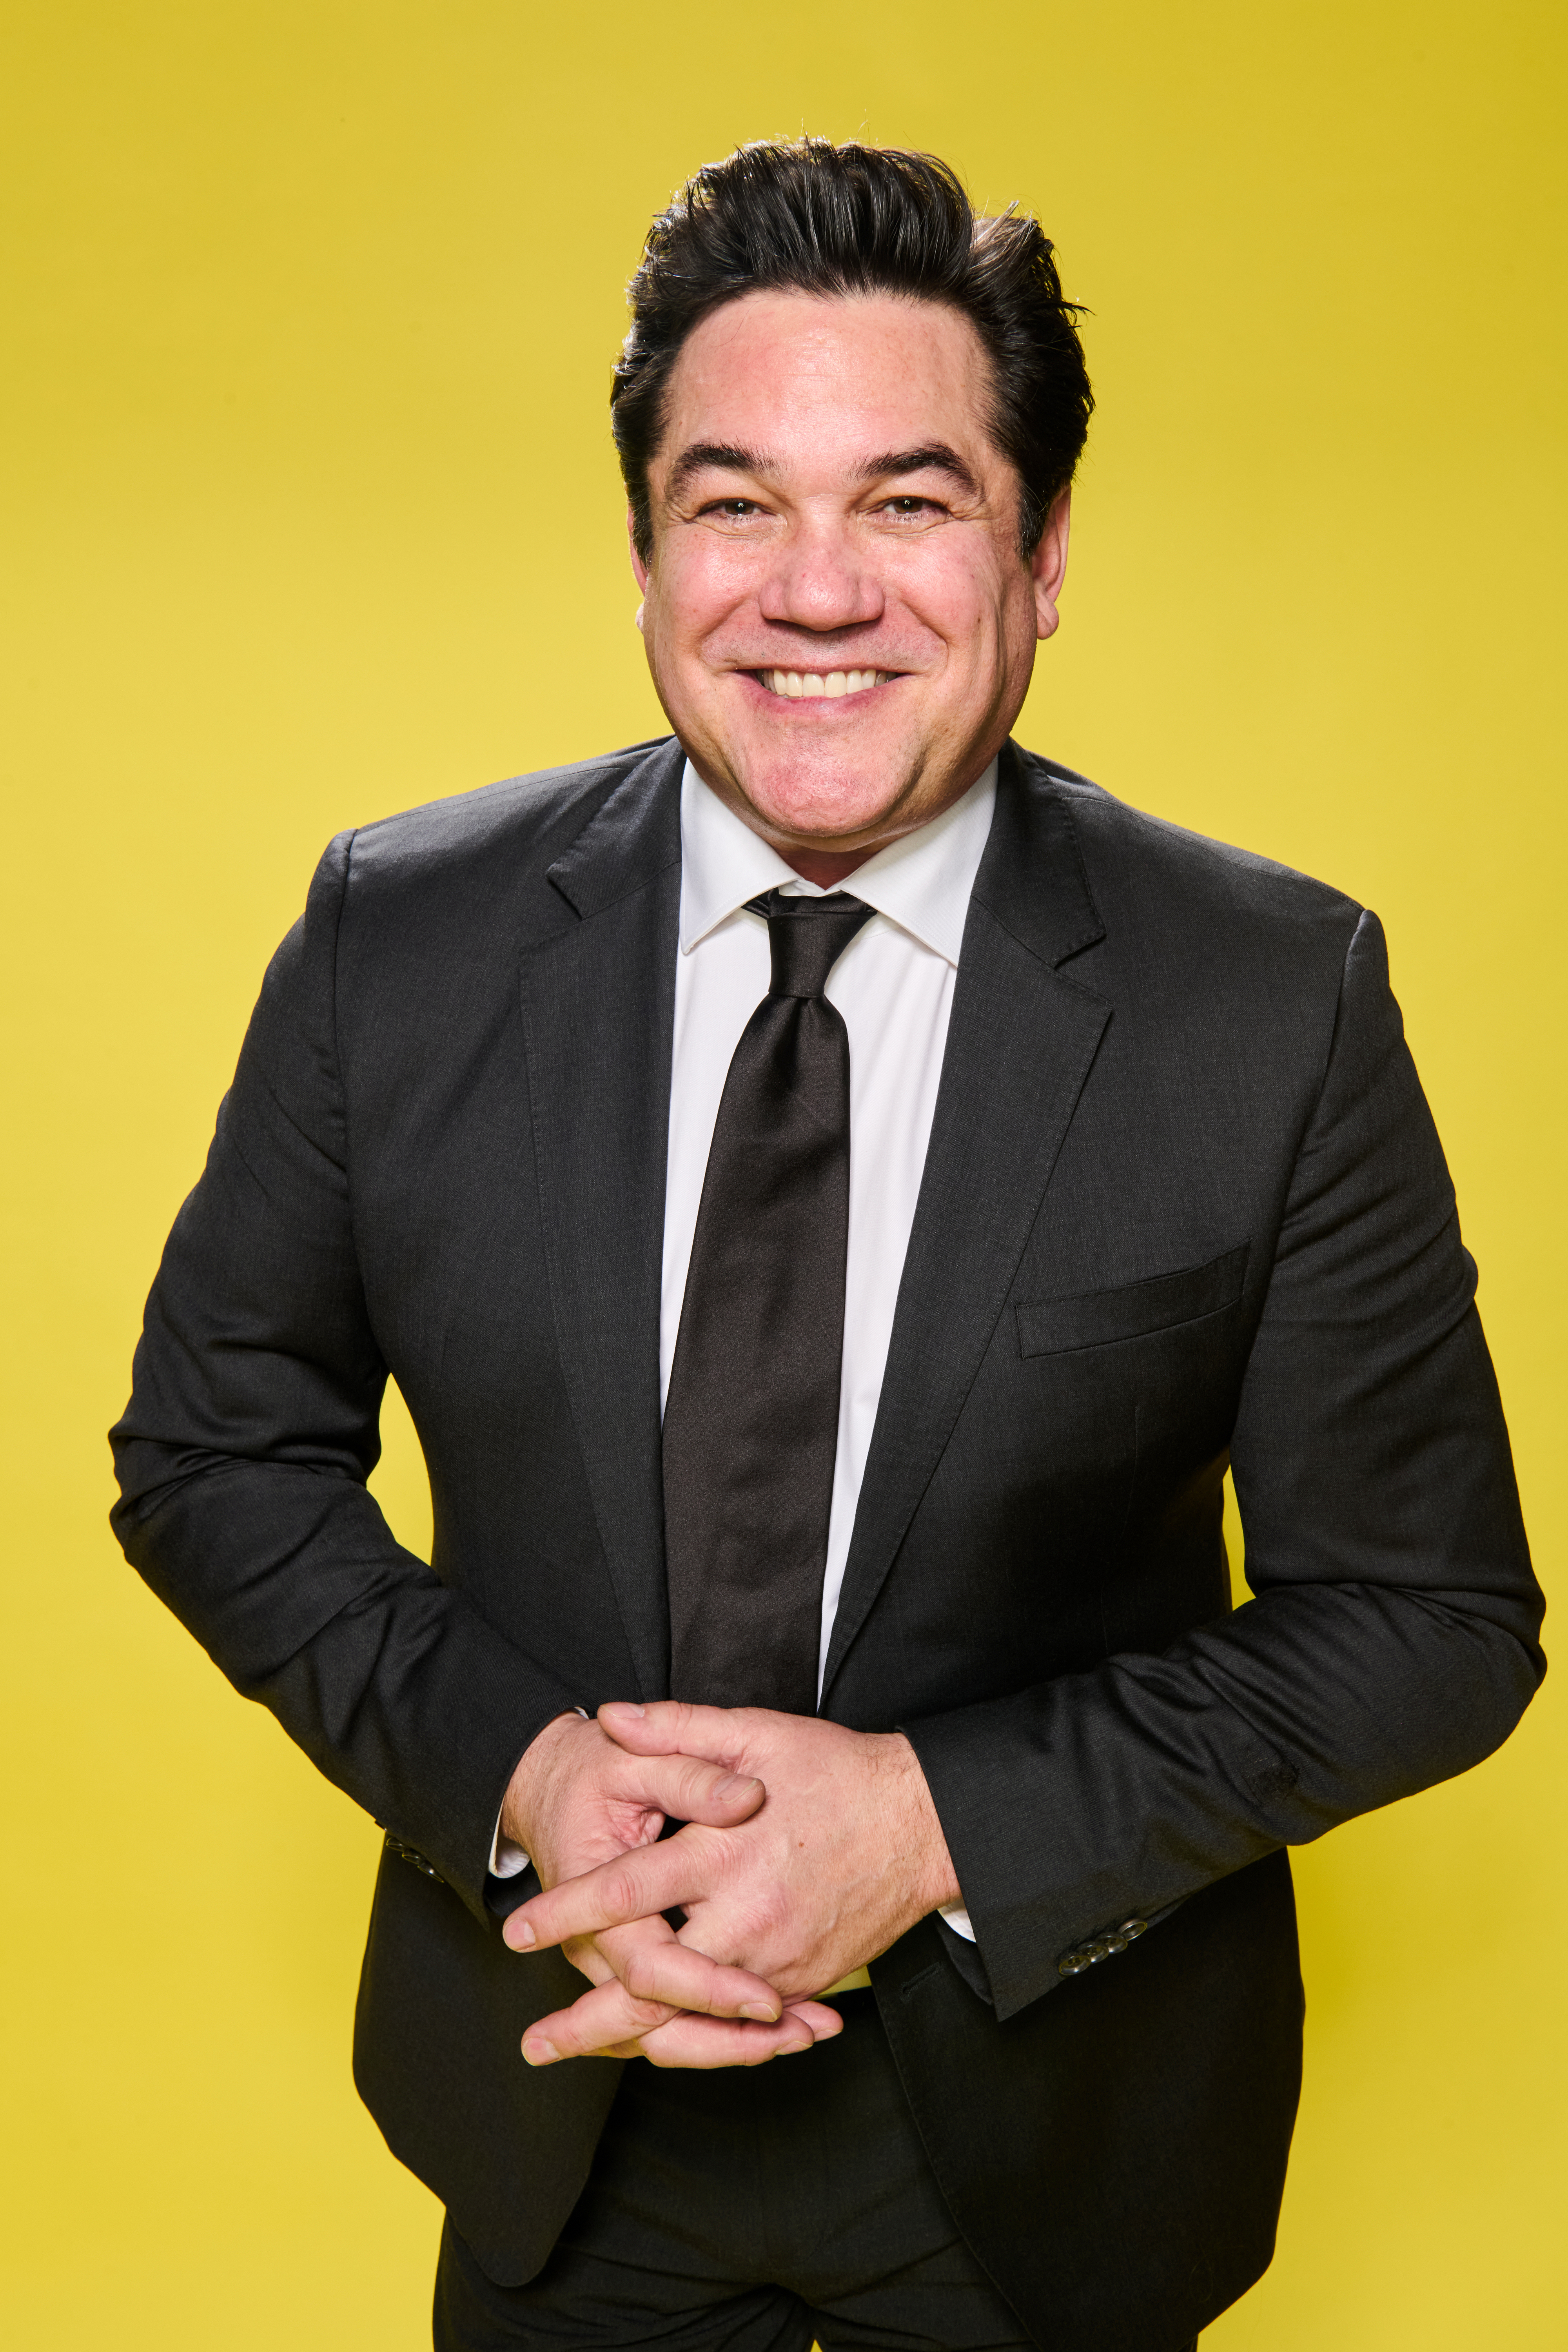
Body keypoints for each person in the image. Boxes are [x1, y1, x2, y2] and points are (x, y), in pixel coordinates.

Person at [111, 139, 1544, 2352]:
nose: (815, 588)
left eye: (908, 500)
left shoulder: (1272, 999)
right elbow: (213, 1452)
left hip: (1053, 2151)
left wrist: (932, 1826)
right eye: (736, 500)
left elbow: (1430, 1622)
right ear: (645, 547)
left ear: (1043, 554)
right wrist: (530, 1777)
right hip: (553, 2117)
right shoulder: (399, 938)